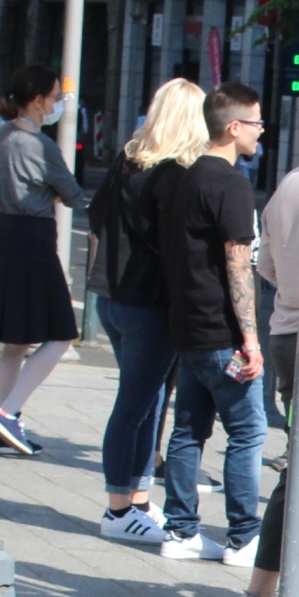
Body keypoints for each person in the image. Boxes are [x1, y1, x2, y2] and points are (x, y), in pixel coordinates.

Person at [89, 77, 207, 545]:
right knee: (136, 406)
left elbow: (97, 216)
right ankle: (119, 509)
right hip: (149, 304)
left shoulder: (129, 159)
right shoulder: (176, 173)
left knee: (148, 401)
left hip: (112, 297)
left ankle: (136, 499)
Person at [155, 81, 267, 565]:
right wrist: (251, 339)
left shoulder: (186, 179)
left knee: (188, 430)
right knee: (247, 432)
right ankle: (244, 536)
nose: (262, 133)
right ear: (234, 126)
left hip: (188, 328)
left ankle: (180, 532)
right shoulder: (230, 185)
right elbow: (238, 264)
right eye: (257, 123)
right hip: (224, 333)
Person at [0, 64, 86, 456]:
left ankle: (4, 426)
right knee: (61, 333)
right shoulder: (40, 145)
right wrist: (51, 193)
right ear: (38, 101)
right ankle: (8, 412)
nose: (57, 104)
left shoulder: (4, 135)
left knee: (15, 341)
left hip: (4, 238)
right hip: (33, 241)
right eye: (54, 97)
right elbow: (72, 193)